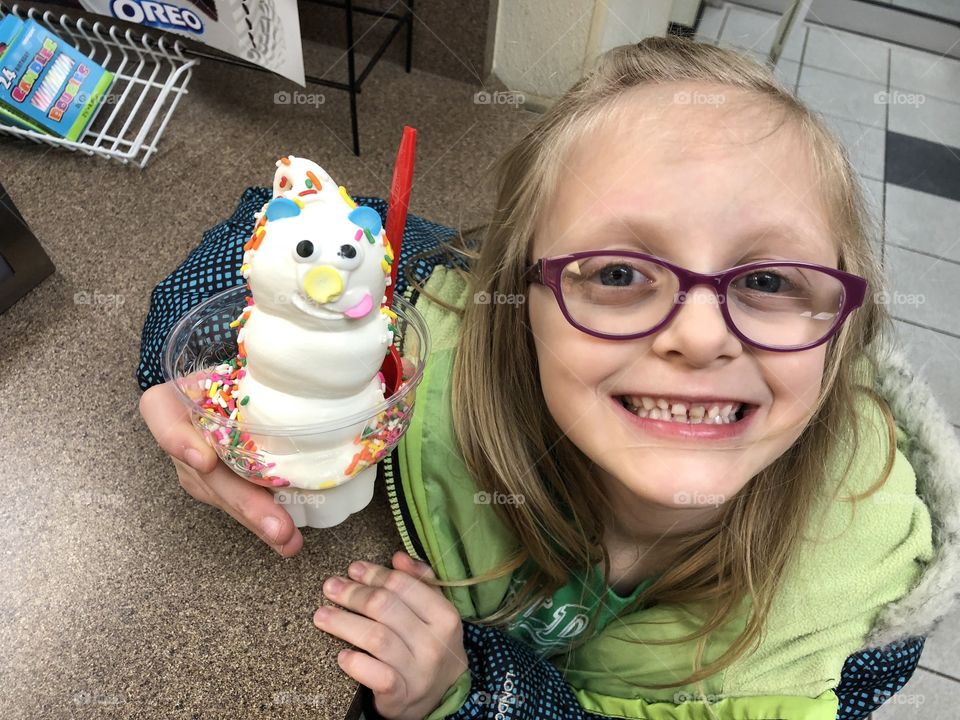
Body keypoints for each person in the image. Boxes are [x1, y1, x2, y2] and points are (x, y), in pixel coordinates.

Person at [138, 37, 960, 720]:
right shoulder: (439, 327)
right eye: (614, 272)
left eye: (771, 281)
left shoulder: (862, 602)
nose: (701, 334)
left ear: (844, 327)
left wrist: (476, 689)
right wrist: (164, 385)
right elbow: (274, 221)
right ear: (512, 296)